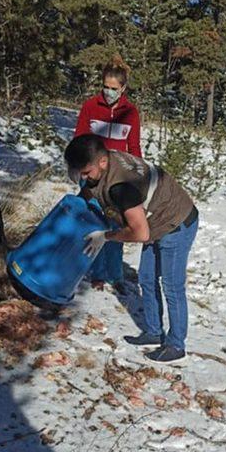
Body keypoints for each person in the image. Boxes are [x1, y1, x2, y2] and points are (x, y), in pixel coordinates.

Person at [64, 134, 198, 364]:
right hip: (155, 217)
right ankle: (154, 332)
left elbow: (140, 233)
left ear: (102, 163)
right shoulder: (103, 163)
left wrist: (106, 237)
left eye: (86, 173)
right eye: (79, 174)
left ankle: (176, 344)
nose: (83, 178)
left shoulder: (121, 186)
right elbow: (88, 191)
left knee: (172, 286)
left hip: (176, 223)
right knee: (146, 278)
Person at [74, 55, 142, 290]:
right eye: (105, 86)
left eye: (114, 88)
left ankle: (116, 275)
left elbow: (134, 147)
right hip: (93, 177)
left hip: (118, 180)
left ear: (123, 88)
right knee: (94, 224)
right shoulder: (90, 107)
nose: (108, 92)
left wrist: (137, 174)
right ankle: (96, 274)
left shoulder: (131, 113)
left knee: (116, 229)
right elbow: (79, 140)